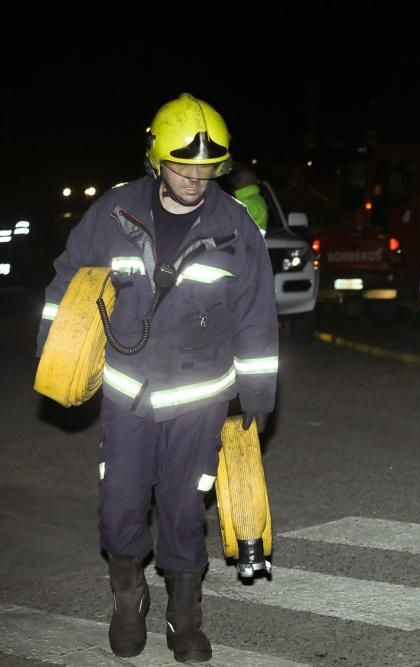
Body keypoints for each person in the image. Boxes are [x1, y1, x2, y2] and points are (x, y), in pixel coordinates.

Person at [37, 93, 278, 662]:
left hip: (200, 397)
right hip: (127, 392)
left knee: (183, 506)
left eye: (206, 167)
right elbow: (66, 285)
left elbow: (255, 318)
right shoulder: (114, 211)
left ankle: (183, 615)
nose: (195, 177)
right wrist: (55, 356)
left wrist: (257, 401)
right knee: (120, 502)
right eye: (181, 165)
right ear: (155, 160)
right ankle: (128, 599)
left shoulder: (236, 226)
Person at [230, 165, 269, 234]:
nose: (234, 182)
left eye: (237, 179)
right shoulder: (256, 199)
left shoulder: (249, 202)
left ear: (245, 182)